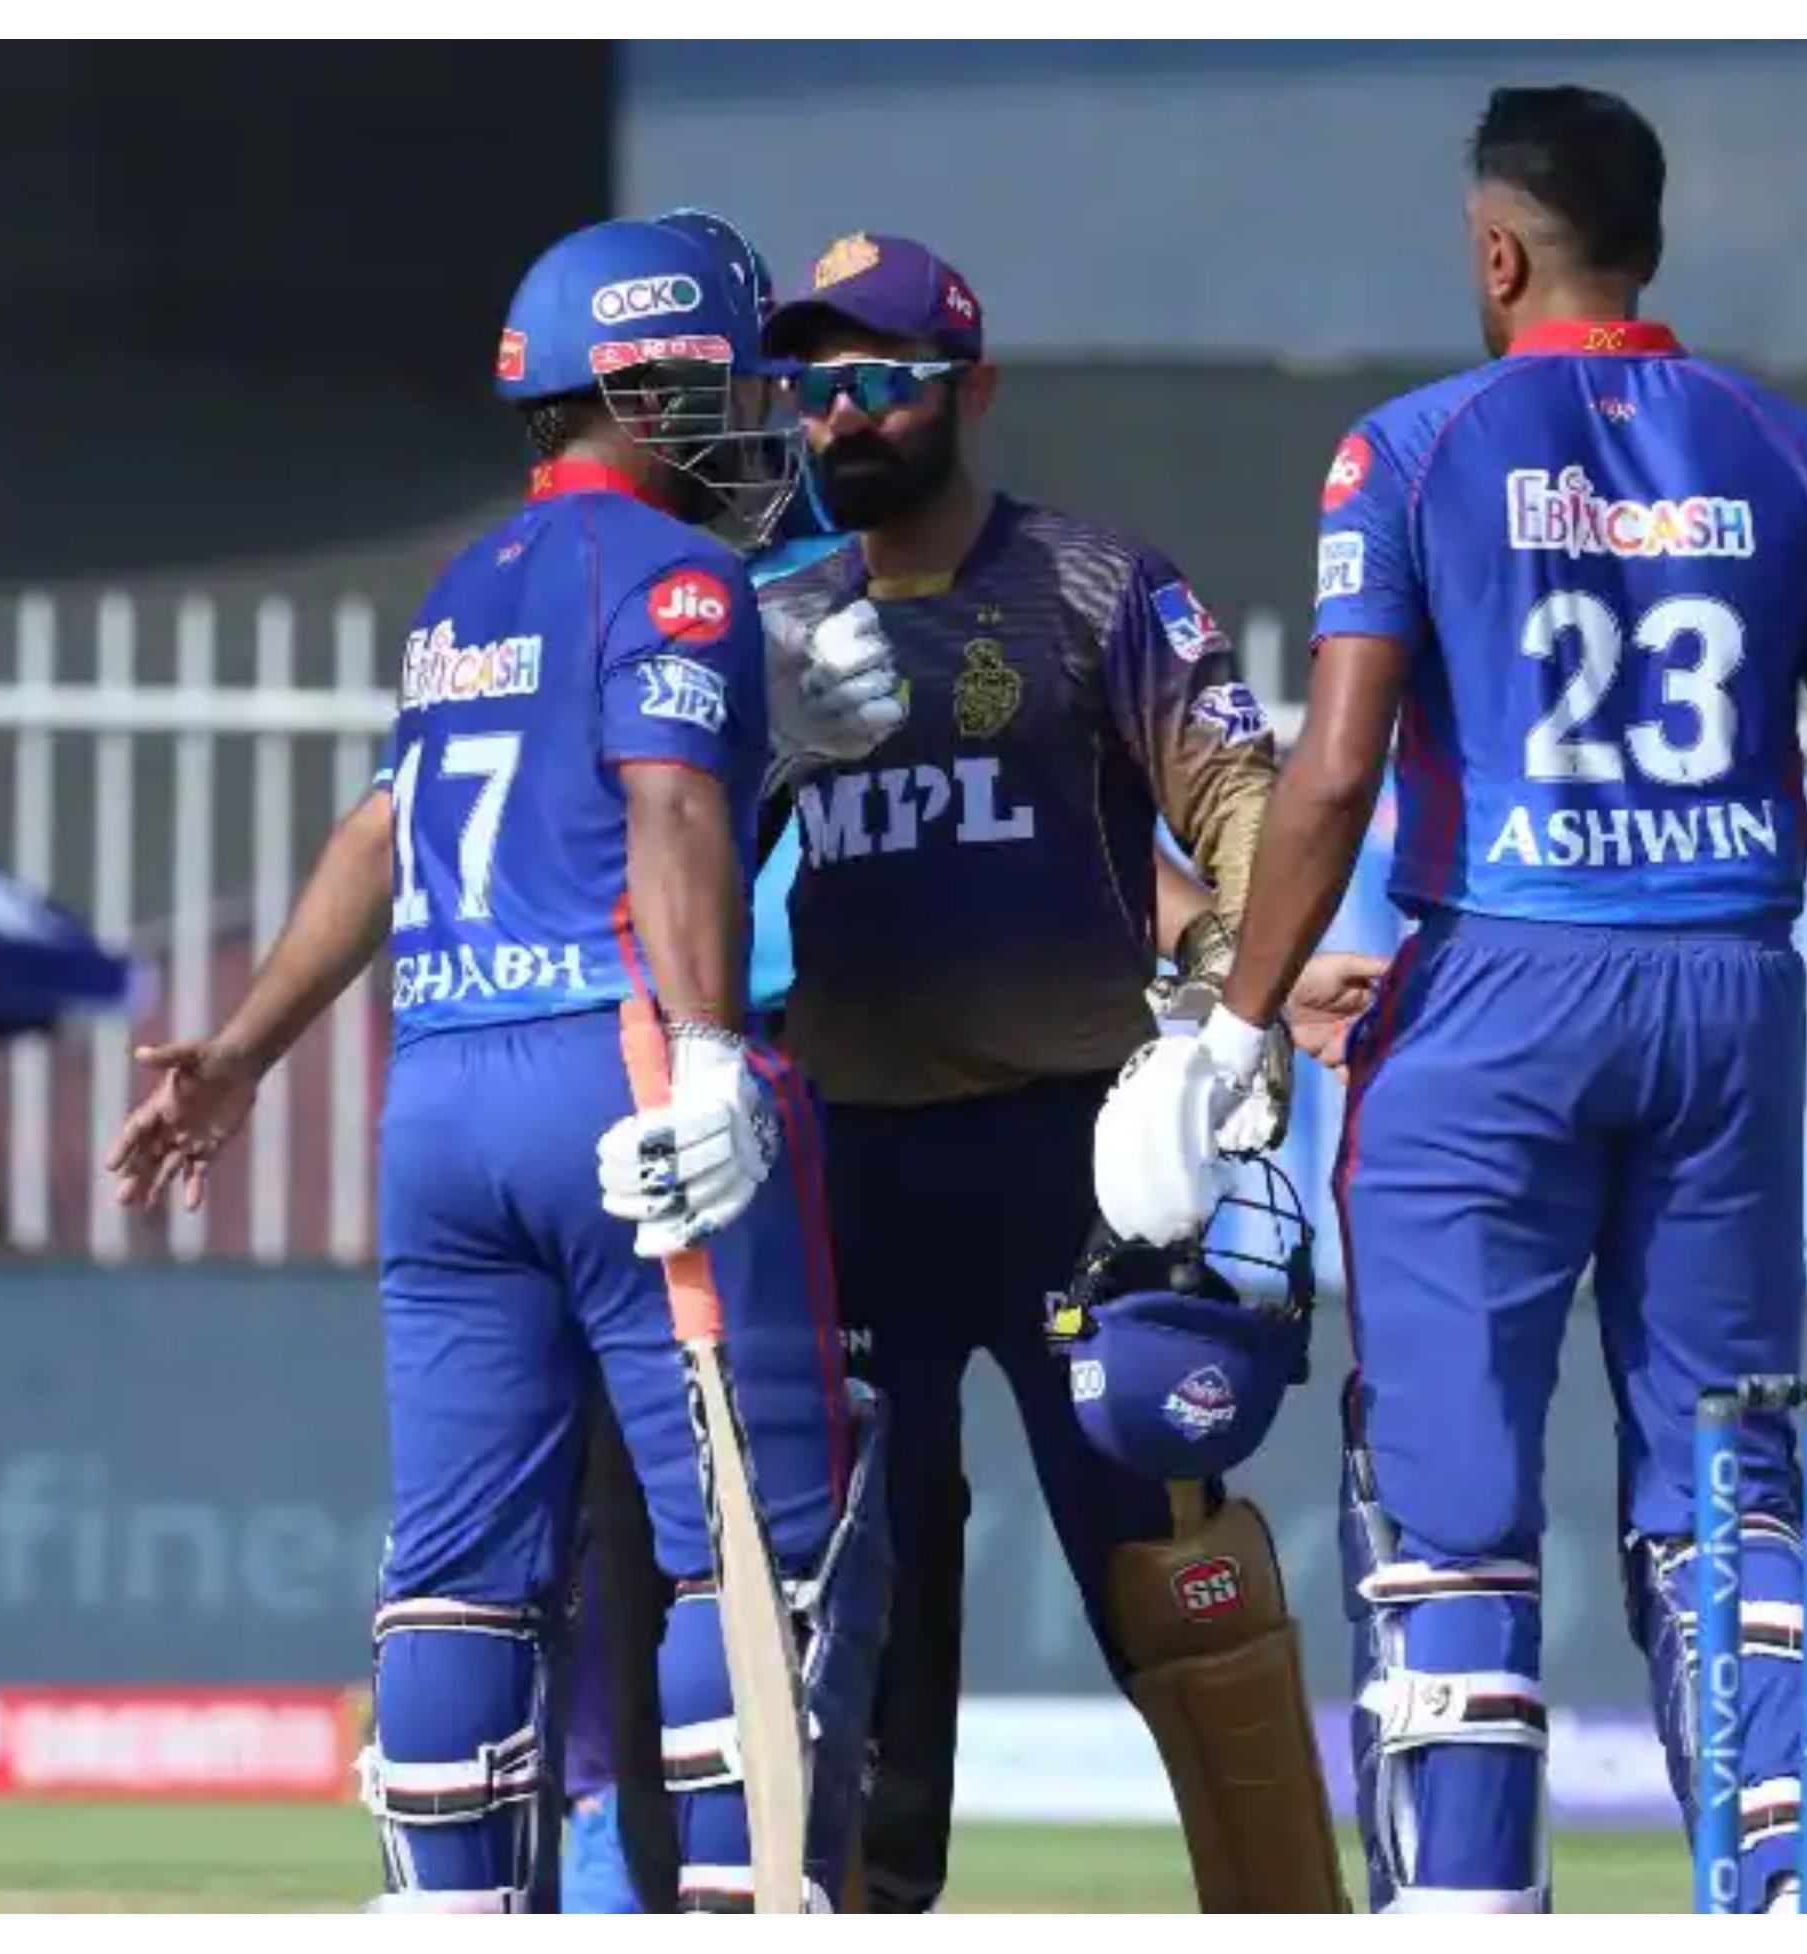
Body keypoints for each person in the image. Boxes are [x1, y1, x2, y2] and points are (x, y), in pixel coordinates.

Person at [1089, 86, 1807, 1913]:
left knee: (1450, 1499)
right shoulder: (1791, 451)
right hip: (1726, 998)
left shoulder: (1413, 448)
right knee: (1726, 1481)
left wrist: (1234, 1026)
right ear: (1650, 241)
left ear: (1496, 250)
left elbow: (1334, 772)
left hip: (1495, 994)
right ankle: (1789, 1880)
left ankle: (1470, 1899)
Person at [169, 215, 882, 1912]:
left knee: (460, 1569)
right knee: (758, 1544)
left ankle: (447, 1907)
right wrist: (707, 1051)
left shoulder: (460, 589)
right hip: (616, 1075)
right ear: (643, 387)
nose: (758, 418)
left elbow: (379, 835)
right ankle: (748, 1902)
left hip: (439, 1093)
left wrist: (245, 1050)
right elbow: (672, 807)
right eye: (727, 383)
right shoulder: (682, 576)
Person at [751, 232, 1372, 1914]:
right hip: (856, 1166)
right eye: (814, 386)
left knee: (1174, 1562)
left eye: (885, 380)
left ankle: (1283, 1911)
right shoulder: (775, 618)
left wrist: (1236, 1006)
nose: (844, 415)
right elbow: (676, 843)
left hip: (1074, 1165)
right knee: (862, 1586)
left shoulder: (1093, 586)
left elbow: (1238, 800)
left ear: (973, 390)